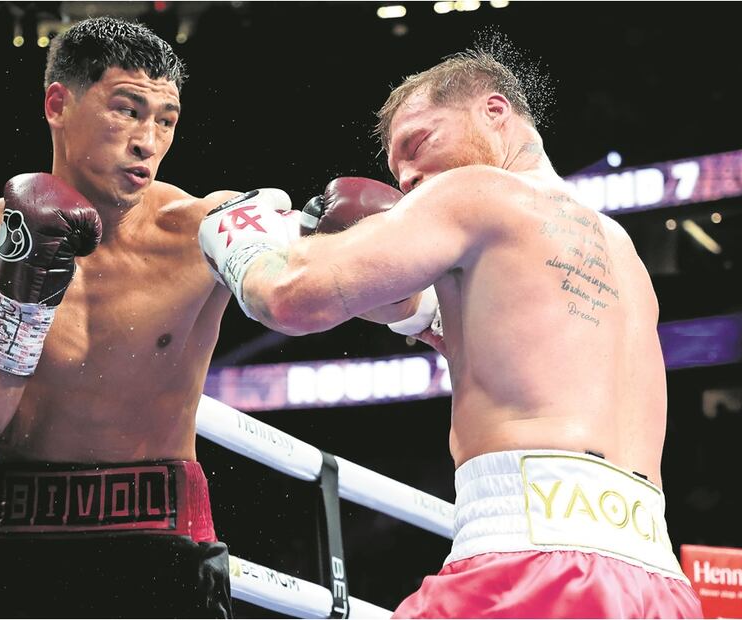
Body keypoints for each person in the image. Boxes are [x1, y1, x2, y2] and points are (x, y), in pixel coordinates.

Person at [0, 16, 431, 618]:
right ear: (58, 104)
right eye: (127, 110)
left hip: (164, 547)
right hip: (18, 548)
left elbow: (392, 301)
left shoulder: (205, 229)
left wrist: (360, 243)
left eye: (165, 120)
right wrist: (23, 306)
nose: (147, 141)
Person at [198, 50, 704, 618]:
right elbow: (468, 328)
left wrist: (245, 240)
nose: (409, 178)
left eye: (418, 143)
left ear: (494, 111)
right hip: (659, 585)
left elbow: (289, 297)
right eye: (397, 172)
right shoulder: (620, 250)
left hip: (531, 570)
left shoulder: (476, 191)